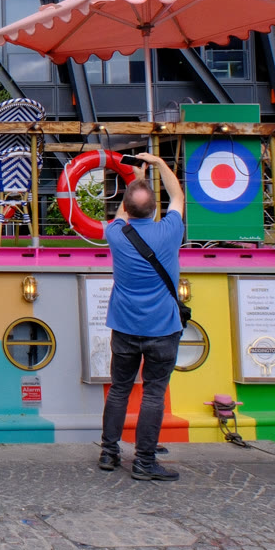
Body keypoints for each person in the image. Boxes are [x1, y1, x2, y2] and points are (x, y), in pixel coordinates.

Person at [99, 151, 188, 482]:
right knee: (153, 393)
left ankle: (109, 452)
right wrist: (159, 164)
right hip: (162, 329)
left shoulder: (115, 234)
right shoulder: (170, 232)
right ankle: (144, 461)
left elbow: (124, 213)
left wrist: (135, 180)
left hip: (124, 327)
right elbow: (177, 196)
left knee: (119, 389)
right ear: (154, 210)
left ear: (125, 206)